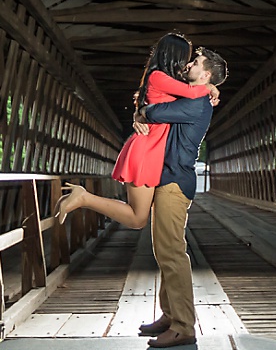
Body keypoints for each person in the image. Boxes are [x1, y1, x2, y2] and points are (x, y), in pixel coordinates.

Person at [54, 33, 218, 230]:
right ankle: (84, 198)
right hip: (147, 149)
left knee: (138, 217)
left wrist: (138, 115)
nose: (187, 64)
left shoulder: (169, 82)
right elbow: (193, 92)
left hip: (152, 150)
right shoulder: (159, 77)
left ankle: (84, 198)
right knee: (137, 218)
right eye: (186, 58)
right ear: (174, 56)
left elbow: (173, 100)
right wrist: (210, 87)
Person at [135, 47, 228, 349]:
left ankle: (184, 326)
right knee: (164, 251)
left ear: (205, 74)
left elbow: (157, 110)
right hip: (167, 178)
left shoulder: (197, 101)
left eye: (196, 63)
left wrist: (143, 112)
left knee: (173, 253)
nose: (189, 64)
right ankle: (169, 314)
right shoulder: (194, 95)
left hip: (175, 181)